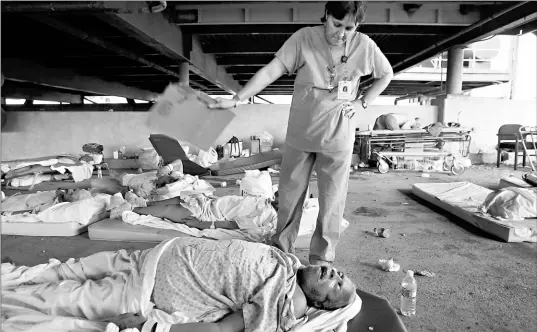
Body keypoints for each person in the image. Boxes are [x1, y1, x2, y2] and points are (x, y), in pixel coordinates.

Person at [209, 2, 393, 265]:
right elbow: (272, 70)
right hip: (301, 134)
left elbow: (386, 74)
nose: (341, 33)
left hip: (338, 135)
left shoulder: (364, 46)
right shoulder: (304, 38)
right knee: (290, 196)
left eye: (349, 28)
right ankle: (282, 251)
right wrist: (238, 98)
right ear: (327, 16)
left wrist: (361, 102)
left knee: (332, 201)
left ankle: (321, 259)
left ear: (358, 26)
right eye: (337, 24)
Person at [2, 238, 357, 332]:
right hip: (148, 258)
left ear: (319, 305)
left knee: (56, 298)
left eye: (338, 288)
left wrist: (151, 327)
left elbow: (221, 330)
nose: (337, 276)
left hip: (146, 292)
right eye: (341, 274)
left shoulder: (285, 307)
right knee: (69, 268)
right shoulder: (289, 263)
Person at [130, 191, 279, 231]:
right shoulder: (265, 200)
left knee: (168, 210)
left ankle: (131, 209)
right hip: (210, 203)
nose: (277, 193)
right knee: (180, 197)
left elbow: (233, 225)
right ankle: (146, 203)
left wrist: (201, 224)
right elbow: (236, 203)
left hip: (207, 215)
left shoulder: (266, 215)